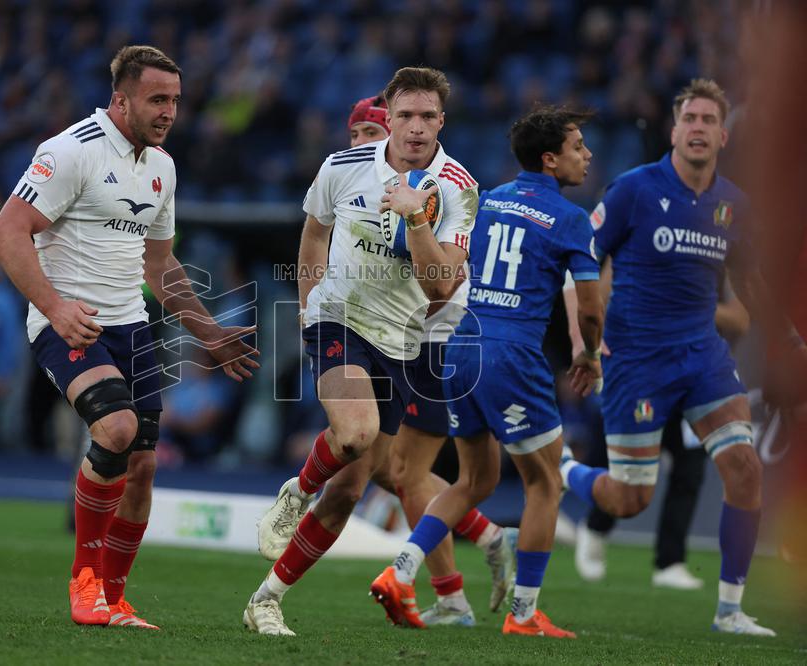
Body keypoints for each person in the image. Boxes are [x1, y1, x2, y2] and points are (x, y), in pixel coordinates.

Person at [0, 46, 258, 629]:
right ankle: (84, 582)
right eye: (157, 99)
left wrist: (208, 332)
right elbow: (7, 232)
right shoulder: (69, 150)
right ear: (120, 99)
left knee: (143, 467)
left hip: (130, 324)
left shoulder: (162, 166)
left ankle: (112, 598)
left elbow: (158, 264)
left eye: (175, 101)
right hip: (69, 322)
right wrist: (54, 307)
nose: (169, 112)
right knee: (116, 429)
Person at [244, 67, 478, 636]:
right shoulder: (342, 166)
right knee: (355, 433)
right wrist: (307, 305)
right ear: (388, 119)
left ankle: (266, 600)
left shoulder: (459, 188)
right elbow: (314, 232)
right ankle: (298, 490)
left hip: (402, 341)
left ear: (441, 122)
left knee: (349, 490)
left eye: (427, 116)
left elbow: (441, 287)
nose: (416, 127)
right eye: (406, 115)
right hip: (339, 318)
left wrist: (415, 217)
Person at [370, 105, 602, 639]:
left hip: (462, 347)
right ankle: (524, 614)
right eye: (577, 146)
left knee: (475, 480)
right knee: (545, 484)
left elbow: (445, 266)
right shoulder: (571, 219)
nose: (587, 155)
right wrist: (588, 352)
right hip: (513, 356)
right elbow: (590, 309)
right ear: (550, 159)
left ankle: (400, 570)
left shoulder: (487, 200)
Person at [559, 79, 775, 636]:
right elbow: (581, 264)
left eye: (709, 120)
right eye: (690, 119)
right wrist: (584, 342)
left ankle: (730, 610)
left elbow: (751, 283)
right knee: (630, 499)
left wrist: (788, 340)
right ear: (674, 131)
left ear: (723, 136)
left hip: (703, 356)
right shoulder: (633, 190)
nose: (698, 128)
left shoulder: (734, 205)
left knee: (744, 467)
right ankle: (563, 470)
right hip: (638, 361)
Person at [347, 94, 517, 625]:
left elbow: (444, 282)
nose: (361, 144)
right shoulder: (358, 185)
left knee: (404, 471)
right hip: (392, 336)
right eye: (354, 134)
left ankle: (451, 596)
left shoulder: (435, 187)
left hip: (435, 339)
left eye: (370, 133)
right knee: (386, 467)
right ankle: (485, 539)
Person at [567, 283, 750, 589]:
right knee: (630, 469)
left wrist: (690, 303)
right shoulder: (645, 255)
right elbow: (603, 290)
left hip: (696, 378)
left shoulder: (716, 259)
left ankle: (670, 561)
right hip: (647, 374)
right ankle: (596, 526)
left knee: (689, 470)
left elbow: (740, 321)